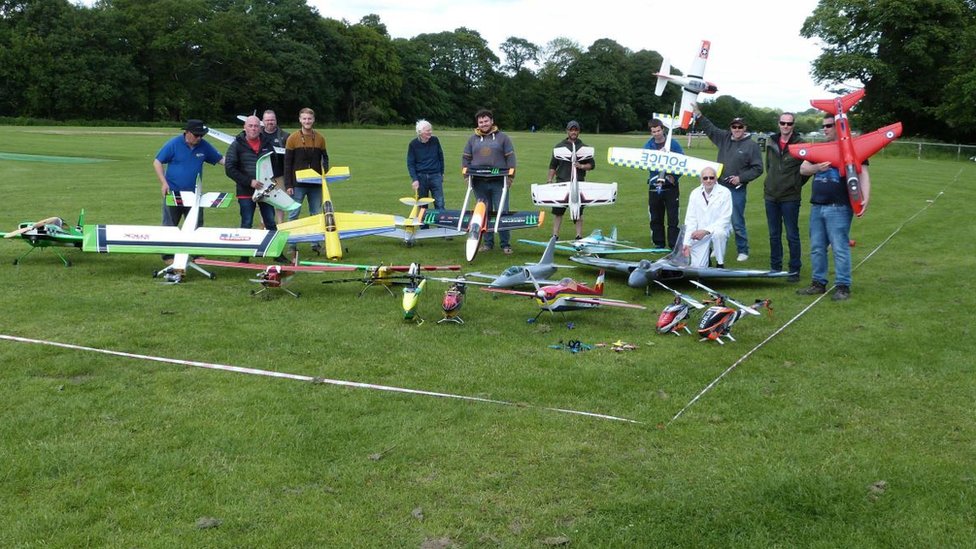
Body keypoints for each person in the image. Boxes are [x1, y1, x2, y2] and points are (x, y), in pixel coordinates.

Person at [796, 114, 870, 301]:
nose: (825, 129)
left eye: (829, 126)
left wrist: (865, 199)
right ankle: (818, 283)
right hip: (817, 206)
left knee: (839, 247)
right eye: (824, 126)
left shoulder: (853, 149)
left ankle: (843, 286)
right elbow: (803, 169)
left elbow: (864, 175)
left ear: (838, 127)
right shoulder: (819, 148)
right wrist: (817, 168)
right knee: (817, 247)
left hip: (840, 206)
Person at [692, 104, 763, 263]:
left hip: (737, 189)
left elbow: (758, 168)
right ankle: (716, 248)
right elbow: (710, 128)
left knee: (736, 220)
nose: (737, 129)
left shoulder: (751, 146)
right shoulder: (724, 138)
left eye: (740, 127)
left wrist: (741, 178)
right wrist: (699, 115)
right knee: (714, 219)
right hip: (719, 188)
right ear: (730, 128)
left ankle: (743, 250)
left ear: (745, 128)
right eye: (734, 126)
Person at [152, 119, 224, 262]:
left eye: (201, 136)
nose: (199, 138)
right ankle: (168, 255)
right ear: (187, 133)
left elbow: (221, 160)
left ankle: (197, 253)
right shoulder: (174, 144)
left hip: (194, 195)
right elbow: (157, 162)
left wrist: (239, 168)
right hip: (174, 193)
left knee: (196, 225)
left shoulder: (203, 146)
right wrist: (164, 183)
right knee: (170, 225)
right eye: (196, 135)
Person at [461, 109, 517, 254]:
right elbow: (466, 158)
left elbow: (510, 158)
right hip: (479, 183)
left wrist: (511, 177)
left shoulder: (503, 138)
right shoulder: (472, 139)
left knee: (502, 212)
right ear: (477, 123)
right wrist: (467, 177)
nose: (484, 124)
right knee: (484, 213)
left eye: (486, 121)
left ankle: (505, 244)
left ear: (492, 121)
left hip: (500, 182)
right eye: (481, 122)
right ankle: (488, 243)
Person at [764, 112, 807, 282]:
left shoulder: (800, 144)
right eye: (783, 123)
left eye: (789, 123)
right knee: (774, 234)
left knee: (792, 234)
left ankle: (794, 270)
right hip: (771, 195)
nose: (786, 126)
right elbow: (769, 165)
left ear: (793, 125)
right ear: (779, 124)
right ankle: (775, 267)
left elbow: (806, 169)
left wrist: (795, 183)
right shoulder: (771, 141)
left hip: (790, 197)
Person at [283, 107, 328, 254]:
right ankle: (292, 243)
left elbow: (325, 159)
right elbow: (287, 163)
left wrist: (325, 172)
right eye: (304, 119)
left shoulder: (320, 138)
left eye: (309, 119)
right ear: (300, 120)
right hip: (298, 185)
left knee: (315, 213)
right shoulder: (292, 138)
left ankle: (315, 243)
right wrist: (288, 184)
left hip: (315, 184)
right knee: (294, 214)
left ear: (313, 120)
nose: (307, 121)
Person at [546, 119, 594, 239]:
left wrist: (581, 166)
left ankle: (578, 236)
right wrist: (549, 180)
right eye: (571, 130)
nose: (573, 132)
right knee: (558, 211)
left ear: (578, 132)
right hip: (562, 182)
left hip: (578, 184)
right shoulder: (559, 147)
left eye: (575, 130)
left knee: (578, 212)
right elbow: (553, 165)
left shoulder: (584, 148)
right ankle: (555, 235)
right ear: (567, 131)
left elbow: (592, 165)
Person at [643, 118, 684, 249]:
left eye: (658, 130)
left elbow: (683, 162)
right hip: (655, 185)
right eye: (654, 131)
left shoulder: (674, 144)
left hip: (671, 187)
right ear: (651, 132)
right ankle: (658, 243)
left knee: (673, 217)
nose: (657, 134)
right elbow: (644, 163)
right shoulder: (648, 146)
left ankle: (673, 244)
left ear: (663, 129)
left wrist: (675, 177)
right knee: (655, 216)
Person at [681, 166, 732, 268]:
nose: (708, 180)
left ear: (716, 178)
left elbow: (725, 219)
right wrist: (686, 243)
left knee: (719, 234)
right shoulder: (695, 193)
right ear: (701, 179)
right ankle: (706, 259)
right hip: (699, 234)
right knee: (698, 269)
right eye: (705, 178)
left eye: (711, 177)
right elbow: (690, 219)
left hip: (718, 229)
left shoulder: (725, 192)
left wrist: (705, 231)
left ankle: (720, 263)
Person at [406, 119, 446, 209]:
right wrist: (415, 179)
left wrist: (441, 173)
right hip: (421, 177)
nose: (430, 132)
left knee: (440, 202)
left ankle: (441, 222)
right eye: (428, 130)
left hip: (435, 175)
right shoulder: (413, 144)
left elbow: (441, 157)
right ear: (420, 132)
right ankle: (423, 223)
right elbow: (410, 163)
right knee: (422, 205)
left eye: (430, 130)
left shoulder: (435, 140)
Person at [261, 109, 289, 225]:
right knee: (263, 201)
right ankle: (264, 227)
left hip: (279, 174)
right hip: (263, 176)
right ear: (263, 121)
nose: (270, 122)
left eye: (272, 120)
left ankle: (280, 225)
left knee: (280, 202)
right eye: (267, 120)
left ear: (276, 120)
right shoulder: (257, 134)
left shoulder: (285, 136)